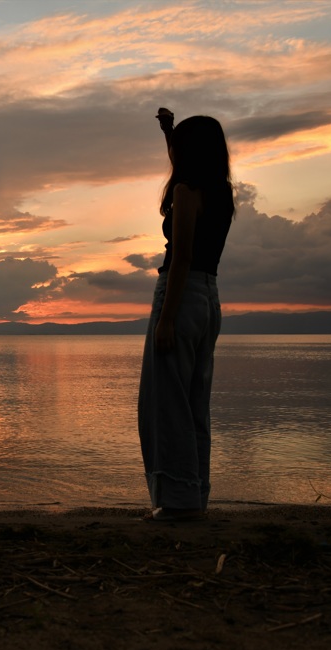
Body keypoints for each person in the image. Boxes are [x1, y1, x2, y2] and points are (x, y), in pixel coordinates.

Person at [138, 109, 235, 522]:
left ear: (187, 152)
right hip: (208, 301)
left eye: (177, 143)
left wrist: (165, 319)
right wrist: (167, 132)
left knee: (165, 405)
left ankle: (176, 504)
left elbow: (180, 258)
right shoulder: (220, 192)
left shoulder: (183, 191)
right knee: (195, 404)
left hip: (179, 295)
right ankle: (194, 496)